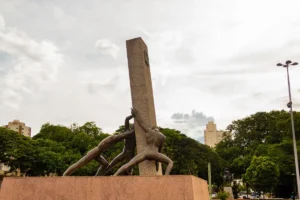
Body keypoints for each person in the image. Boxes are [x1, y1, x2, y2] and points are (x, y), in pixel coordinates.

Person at [63, 114, 135, 176]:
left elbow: (127, 124)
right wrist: (136, 124)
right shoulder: (113, 138)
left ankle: (97, 177)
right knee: (79, 164)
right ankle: (65, 174)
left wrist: (133, 116)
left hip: (99, 154)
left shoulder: (119, 136)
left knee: (106, 165)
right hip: (94, 153)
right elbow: (126, 133)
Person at [114, 108, 173, 176]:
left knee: (128, 164)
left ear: (153, 128)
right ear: (158, 130)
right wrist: (157, 162)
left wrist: (135, 114)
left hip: (146, 153)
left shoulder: (149, 131)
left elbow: (141, 122)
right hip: (155, 153)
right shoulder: (163, 137)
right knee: (170, 162)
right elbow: (160, 150)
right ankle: (166, 177)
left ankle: (115, 175)